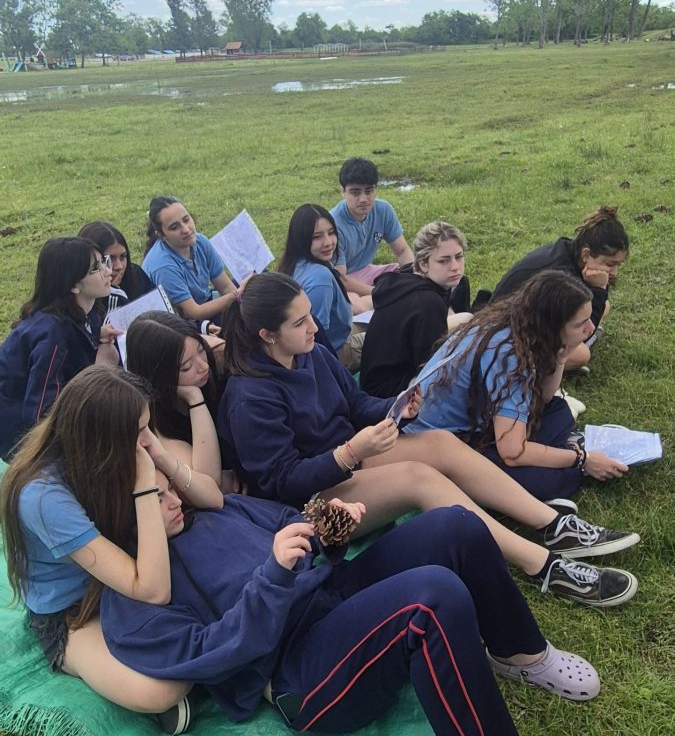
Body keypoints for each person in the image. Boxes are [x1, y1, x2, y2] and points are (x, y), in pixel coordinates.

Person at [100, 469, 602, 736]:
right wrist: (272, 576)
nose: (174, 500)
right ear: (124, 514)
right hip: (300, 672)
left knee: (456, 526)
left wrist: (330, 526)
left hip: (330, 598)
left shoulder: (212, 511)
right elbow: (212, 656)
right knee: (431, 600)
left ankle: (519, 652)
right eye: (156, 498)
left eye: (170, 488)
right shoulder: (132, 603)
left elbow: (292, 528)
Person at [217, 273, 639, 608]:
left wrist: (398, 407)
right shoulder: (250, 397)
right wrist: (350, 452)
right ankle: (544, 566)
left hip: (347, 464)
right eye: (300, 322)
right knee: (420, 479)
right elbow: (282, 483)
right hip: (309, 513)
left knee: (440, 443)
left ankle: (554, 526)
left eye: (310, 314)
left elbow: (355, 403)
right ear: (267, 335)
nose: (314, 327)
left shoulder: (311, 353)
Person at [0, 367, 191, 721]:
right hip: (72, 611)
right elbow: (152, 590)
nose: (150, 442)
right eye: (140, 432)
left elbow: (211, 492)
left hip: (119, 577)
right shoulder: (42, 497)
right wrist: (145, 485)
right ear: (104, 440)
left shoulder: (105, 457)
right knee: (157, 691)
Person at [404, 271, 631, 503]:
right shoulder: (509, 356)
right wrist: (582, 460)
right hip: (441, 445)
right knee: (552, 482)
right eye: (580, 324)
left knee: (558, 411)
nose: (591, 329)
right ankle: (567, 452)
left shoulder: (514, 327)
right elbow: (513, 452)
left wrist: (561, 358)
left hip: (479, 424)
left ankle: (561, 449)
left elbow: (544, 399)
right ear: (552, 325)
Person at [0, 236, 120, 461]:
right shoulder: (51, 335)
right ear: (73, 285)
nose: (108, 271)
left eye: (104, 262)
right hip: (23, 442)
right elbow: (40, 411)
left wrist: (96, 337)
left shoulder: (89, 312)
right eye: (96, 268)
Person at [492, 206, 629, 371]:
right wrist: (599, 288)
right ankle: (541, 368)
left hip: (528, 321)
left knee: (604, 306)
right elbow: (584, 329)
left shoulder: (569, 251)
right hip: (502, 336)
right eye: (610, 264)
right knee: (581, 354)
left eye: (618, 265)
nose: (614, 272)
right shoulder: (562, 278)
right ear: (586, 254)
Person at [125, 312, 230, 504]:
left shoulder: (218, 356)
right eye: (186, 367)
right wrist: (195, 400)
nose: (203, 366)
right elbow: (208, 482)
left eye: (201, 350)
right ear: (159, 375)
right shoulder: (153, 417)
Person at [360, 220, 473, 398]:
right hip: (389, 392)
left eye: (458, 257)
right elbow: (430, 368)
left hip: (374, 379)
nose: (455, 267)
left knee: (468, 319)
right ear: (423, 264)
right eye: (444, 261)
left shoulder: (406, 276)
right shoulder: (427, 302)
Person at [278, 204, 366, 371]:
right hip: (336, 352)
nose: (328, 242)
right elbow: (317, 339)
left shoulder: (294, 264)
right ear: (301, 239)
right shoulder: (320, 278)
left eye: (331, 233)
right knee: (390, 335)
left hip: (338, 333)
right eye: (317, 237)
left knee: (377, 320)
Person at [142, 196, 237, 322]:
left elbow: (226, 287)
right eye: (174, 227)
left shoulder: (200, 241)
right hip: (182, 323)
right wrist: (237, 295)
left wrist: (240, 299)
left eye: (186, 220)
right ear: (161, 234)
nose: (186, 230)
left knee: (255, 289)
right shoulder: (162, 266)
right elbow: (193, 313)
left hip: (205, 303)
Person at [330, 157, 413, 295]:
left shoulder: (383, 210)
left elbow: (403, 250)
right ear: (343, 192)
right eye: (355, 192)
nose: (363, 199)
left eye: (368, 191)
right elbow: (340, 279)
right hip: (343, 282)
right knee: (357, 302)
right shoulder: (333, 224)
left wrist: (412, 279)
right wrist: (379, 293)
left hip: (367, 272)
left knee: (416, 273)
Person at [78, 220, 156, 313]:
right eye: (109, 259)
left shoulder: (136, 275)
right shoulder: (86, 296)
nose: (119, 266)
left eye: (123, 257)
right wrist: (112, 293)